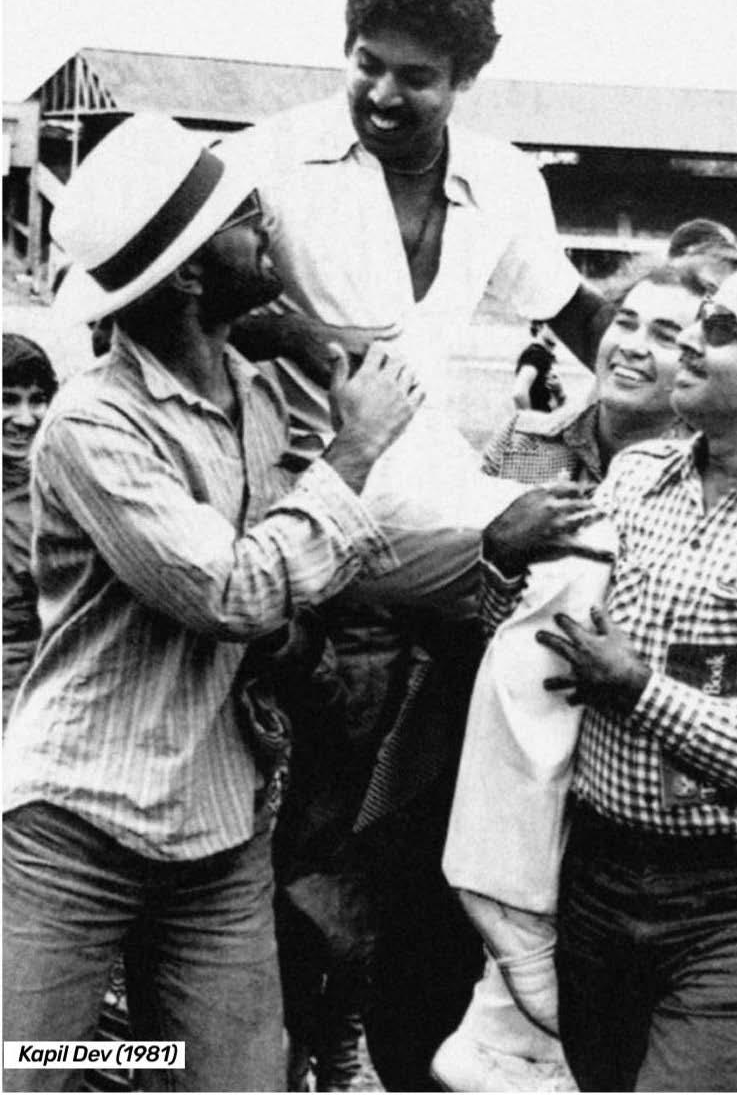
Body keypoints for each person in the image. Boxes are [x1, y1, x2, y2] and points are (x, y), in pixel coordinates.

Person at [225, 0, 602, 1087]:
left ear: (466, 78)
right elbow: (184, 293)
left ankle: (489, 955)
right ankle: (301, 1028)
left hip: (427, 488)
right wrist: (312, 342)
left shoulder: (504, 180)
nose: (384, 93)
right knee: (319, 792)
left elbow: (572, 309)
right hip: (299, 490)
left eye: (417, 76)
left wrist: (658, 392)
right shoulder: (268, 157)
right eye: (366, 63)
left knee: (568, 580)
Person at [2, 112, 423, 1094]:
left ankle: (136, 1069)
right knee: (27, 1070)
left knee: (233, 1080)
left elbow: (304, 551)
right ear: (192, 271)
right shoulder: (92, 424)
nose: (265, 220)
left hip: (220, 825)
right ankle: (122, 1069)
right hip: (79, 823)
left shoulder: (257, 392)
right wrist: (357, 449)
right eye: (243, 215)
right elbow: (232, 590)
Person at [531, 251, 737, 1091]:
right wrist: (503, 563)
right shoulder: (635, 479)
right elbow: (539, 640)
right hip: (595, 877)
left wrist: (639, 690)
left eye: (717, 328)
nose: (688, 341)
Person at [434, 262, 710, 1091]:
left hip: (621, 775)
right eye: (626, 321)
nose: (633, 346)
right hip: (487, 748)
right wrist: (499, 556)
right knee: (426, 986)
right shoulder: (527, 442)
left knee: (595, 1023)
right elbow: (457, 611)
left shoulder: (710, 477)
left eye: (668, 335)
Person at [2, 335, 58, 729]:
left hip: (28, 694)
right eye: (8, 400)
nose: (25, 418)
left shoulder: (56, 492)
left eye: (37, 400)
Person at [513, 321, 566, 412]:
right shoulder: (536, 355)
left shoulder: (543, 355)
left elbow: (547, 405)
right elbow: (519, 394)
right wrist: (530, 418)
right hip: (536, 419)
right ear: (539, 326)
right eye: (553, 325)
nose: (558, 330)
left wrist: (559, 394)